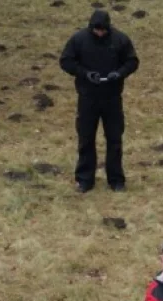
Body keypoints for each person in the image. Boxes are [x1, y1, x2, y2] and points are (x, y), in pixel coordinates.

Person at [59, 9, 139, 193]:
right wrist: (86, 74)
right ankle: (85, 179)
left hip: (112, 98)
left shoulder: (120, 40)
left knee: (114, 139)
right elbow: (66, 61)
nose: (100, 33)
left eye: (103, 30)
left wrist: (118, 74)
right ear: (91, 28)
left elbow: (132, 61)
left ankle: (116, 180)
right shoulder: (78, 40)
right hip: (87, 98)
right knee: (86, 139)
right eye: (97, 30)